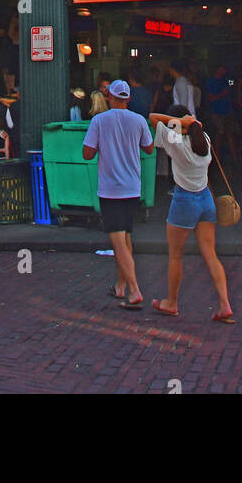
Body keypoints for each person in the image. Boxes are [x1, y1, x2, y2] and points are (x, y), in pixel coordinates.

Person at [148, 104, 234, 323]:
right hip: (206, 199)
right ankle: (225, 304)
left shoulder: (176, 141)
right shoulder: (204, 138)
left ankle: (171, 302)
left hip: (184, 200)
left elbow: (153, 117)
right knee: (211, 254)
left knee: (176, 256)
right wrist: (190, 121)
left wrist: (182, 122)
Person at [82, 79, 154, 310]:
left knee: (117, 240)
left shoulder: (99, 121)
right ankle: (121, 285)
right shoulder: (138, 120)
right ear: (128, 98)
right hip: (132, 187)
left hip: (110, 188)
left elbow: (87, 153)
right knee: (126, 236)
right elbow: (149, 148)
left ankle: (134, 289)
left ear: (109, 97)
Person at [204, 65, 235, 160]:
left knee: (230, 133)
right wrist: (220, 95)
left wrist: (217, 96)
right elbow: (210, 97)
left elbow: (227, 92)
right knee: (218, 134)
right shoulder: (211, 82)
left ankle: (234, 157)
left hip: (228, 111)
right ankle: (218, 157)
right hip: (217, 112)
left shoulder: (225, 81)